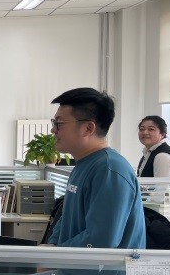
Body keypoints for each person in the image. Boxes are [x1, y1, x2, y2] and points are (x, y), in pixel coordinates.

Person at [44, 87, 145, 249]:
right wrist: (53, 243)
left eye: (59, 123)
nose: (53, 129)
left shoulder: (109, 170)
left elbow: (101, 240)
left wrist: (58, 252)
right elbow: (67, 216)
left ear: (88, 128)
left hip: (99, 266)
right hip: (74, 263)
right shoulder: (84, 164)